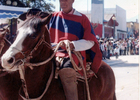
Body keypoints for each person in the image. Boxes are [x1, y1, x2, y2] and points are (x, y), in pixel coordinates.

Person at [48, 0, 102, 100]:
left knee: (66, 70)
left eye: (66, 0)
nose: (63, 3)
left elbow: (90, 42)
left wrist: (72, 45)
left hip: (72, 54)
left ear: (73, 1)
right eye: (61, 0)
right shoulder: (52, 17)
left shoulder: (82, 19)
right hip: (52, 53)